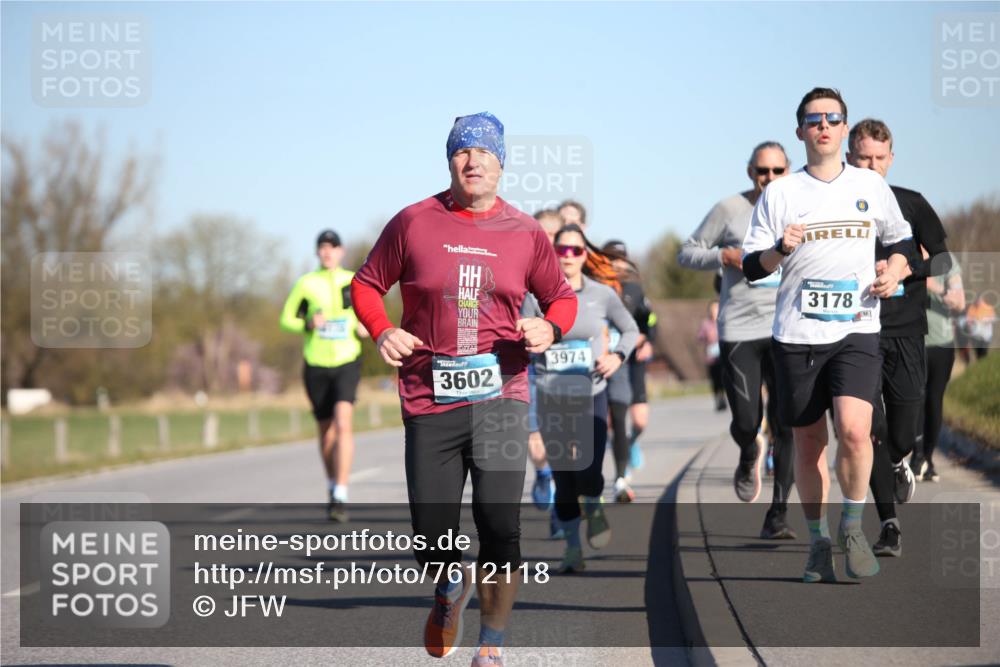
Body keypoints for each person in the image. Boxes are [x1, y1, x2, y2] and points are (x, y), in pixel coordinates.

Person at [350, 112, 577, 667]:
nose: (471, 162)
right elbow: (365, 284)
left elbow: (561, 298)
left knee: (500, 526)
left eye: (483, 153)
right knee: (431, 538)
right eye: (461, 152)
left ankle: (491, 646)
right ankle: (450, 586)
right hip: (429, 397)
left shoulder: (525, 232)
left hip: (502, 394)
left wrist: (552, 326)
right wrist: (382, 329)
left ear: (501, 163)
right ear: (449, 160)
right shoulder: (413, 222)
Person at [742, 87, 914, 582]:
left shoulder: (868, 185)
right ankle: (818, 540)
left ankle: (854, 527)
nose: (823, 126)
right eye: (813, 119)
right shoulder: (781, 193)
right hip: (797, 335)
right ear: (800, 131)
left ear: (843, 128)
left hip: (857, 327)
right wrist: (780, 248)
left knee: (856, 431)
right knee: (809, 440)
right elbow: (754, 267)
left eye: (832, 118)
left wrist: (896, 270)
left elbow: (901, 240)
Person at [678, 142, 797, 539]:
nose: (770, 178)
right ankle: (748, 450)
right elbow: (686, 252)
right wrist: (723, 257)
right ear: (750, 172)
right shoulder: (729, 209)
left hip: (789, 329)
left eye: (778, 170)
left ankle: (778, 514)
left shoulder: (802, 207)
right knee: (747, 421)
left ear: (788, 170)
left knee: (786, 424)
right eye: (763, 171)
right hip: (740, 329)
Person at [846, 118, 952, 557]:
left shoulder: (911, 203)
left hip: (906, 330)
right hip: (855, 330)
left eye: (878, 158)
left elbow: (944, 261)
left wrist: (907, 269)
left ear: (891, 159)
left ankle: (899, 460)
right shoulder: (835, 205)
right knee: (867, 429)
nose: (871, 166)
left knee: (903, 432)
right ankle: (888, 523)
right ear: (850, 156)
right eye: (863, 157)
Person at [523, 224, 639, 572]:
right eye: (562, 250)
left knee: (588, 471)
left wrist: (617, 356)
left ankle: (595, 502)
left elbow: (631, 329)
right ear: (553, 254)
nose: (568, 256)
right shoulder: (534, 297)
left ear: (585, 255)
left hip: (591, 393)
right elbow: (520, 333)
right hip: (550, 395)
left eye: (575, 250)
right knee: (564, 475)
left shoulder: (602, 294)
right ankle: (573, 548)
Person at [280, 229, 367, 523]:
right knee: (326, 431)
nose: (327, 252)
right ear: (317, 252)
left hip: (347, 360)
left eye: (332, 247)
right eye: (322, 247)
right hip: (316, 363)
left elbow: (369, 311)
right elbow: (286, 319)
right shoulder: (306, 283)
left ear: (341, 251)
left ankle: (341, 493)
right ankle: (332, 485)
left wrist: (365, 326)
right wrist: (307, 322)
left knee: (344, 423)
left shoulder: (353, 280)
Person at [603, 240, 658, 483]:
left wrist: (647, 341)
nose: (616, 262)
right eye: (610, 258)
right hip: (608, 360)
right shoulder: (597, 286)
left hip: (633, 360)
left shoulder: (635, 290)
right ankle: (621, 457)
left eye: (620, 258)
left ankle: (631, 441)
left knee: (640, 421)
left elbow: (651, 320)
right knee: (612, 420)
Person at [913, 249, 964, 482]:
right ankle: (915, 457)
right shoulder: (904, 257)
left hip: (941, 344)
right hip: (912, 342)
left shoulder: (946, 261)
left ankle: (927, 457)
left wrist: (934, 286)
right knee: (915, 400)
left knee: (934, 401)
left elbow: (959, 302)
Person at [698, 301, 726, 411]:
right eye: (712, 309)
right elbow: (699, 337)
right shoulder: (706, 324)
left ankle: (723, 397)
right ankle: (717, 399)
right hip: (711, 357)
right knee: (715, 380)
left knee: (723, 378)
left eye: (716, 309)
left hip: (722, 356)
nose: (714, 311)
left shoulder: (723, 321)